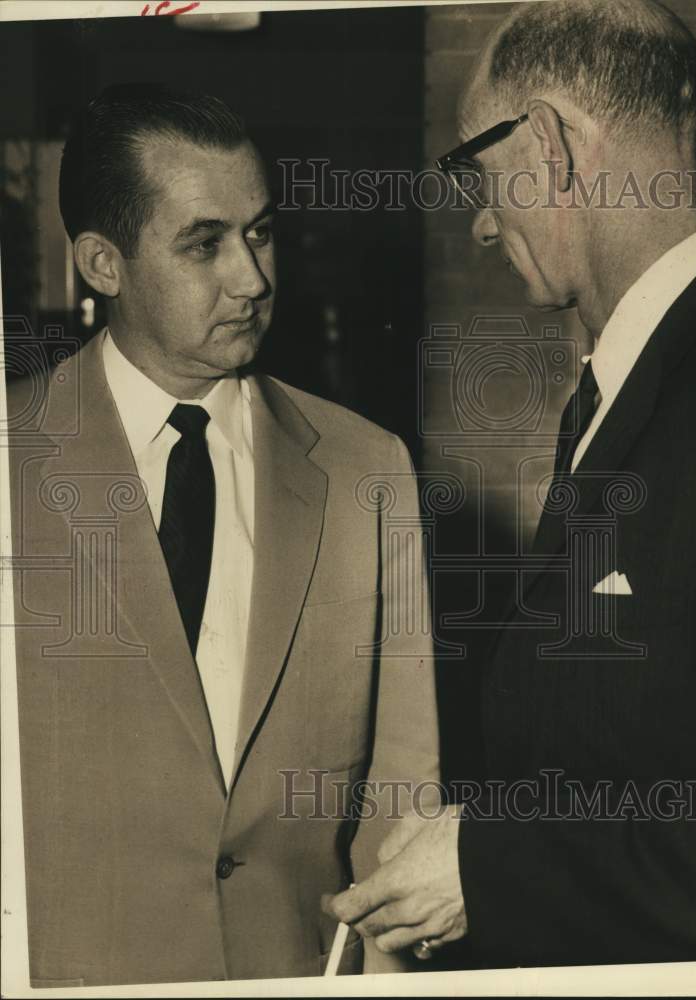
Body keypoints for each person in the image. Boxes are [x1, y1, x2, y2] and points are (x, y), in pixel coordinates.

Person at [325, 0, 696, 968]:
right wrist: (471, 841)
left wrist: (486, 867)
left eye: (481, 174)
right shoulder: (621, 388)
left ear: (550, 146)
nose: (483, 222)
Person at [6, 84, 438, 986]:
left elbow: (403, 798)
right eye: (205, 244)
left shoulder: (367, 468)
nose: (252, 278)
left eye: (261, 233)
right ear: (102, 264)